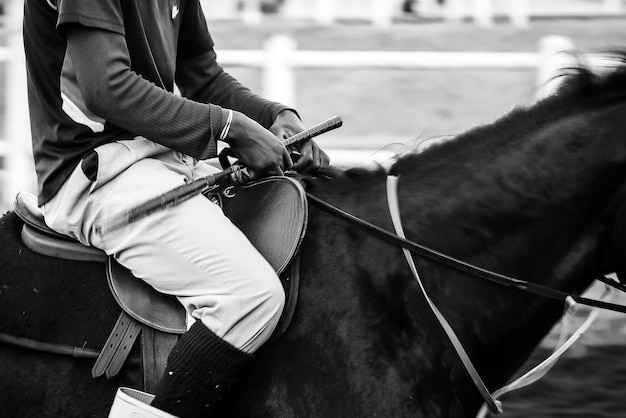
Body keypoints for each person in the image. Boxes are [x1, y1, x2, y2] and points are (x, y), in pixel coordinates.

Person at [22, 1, 329, 417]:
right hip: (95, 175)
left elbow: (201, 72)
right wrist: (230, 126)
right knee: (246, 298)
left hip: (165, 158)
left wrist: (273, 116)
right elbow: (106, 86)